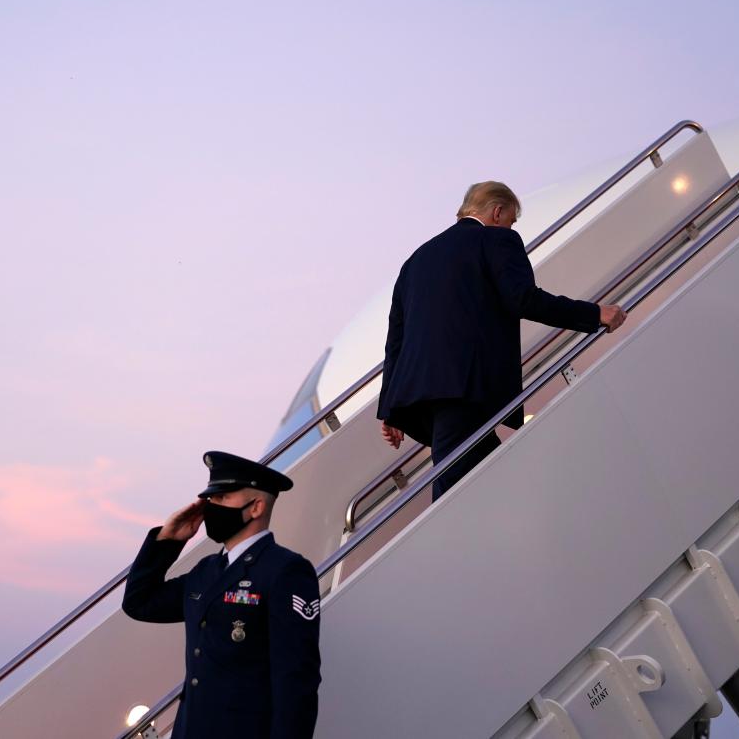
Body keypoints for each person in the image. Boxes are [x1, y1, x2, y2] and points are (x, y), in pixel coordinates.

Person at [376, 181, 627, 500]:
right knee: (453, 490)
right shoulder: (497, 239)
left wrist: (390, 408)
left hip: (421, 394)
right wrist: (594, 314)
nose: (511, 226)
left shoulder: (416, 261)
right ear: (497, 212)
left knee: (493, 479)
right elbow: (523, 299)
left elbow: (395, 337)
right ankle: (443, 549)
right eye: (511, 219)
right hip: (467, 387)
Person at [122, 451, 321, 739]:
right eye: (211, 499)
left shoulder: (285, 571)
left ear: (256, 507)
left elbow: (296, 679)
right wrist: (168, 540)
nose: (212, 507)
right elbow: (139, 602)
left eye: (223, 498)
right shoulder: (207, 570)